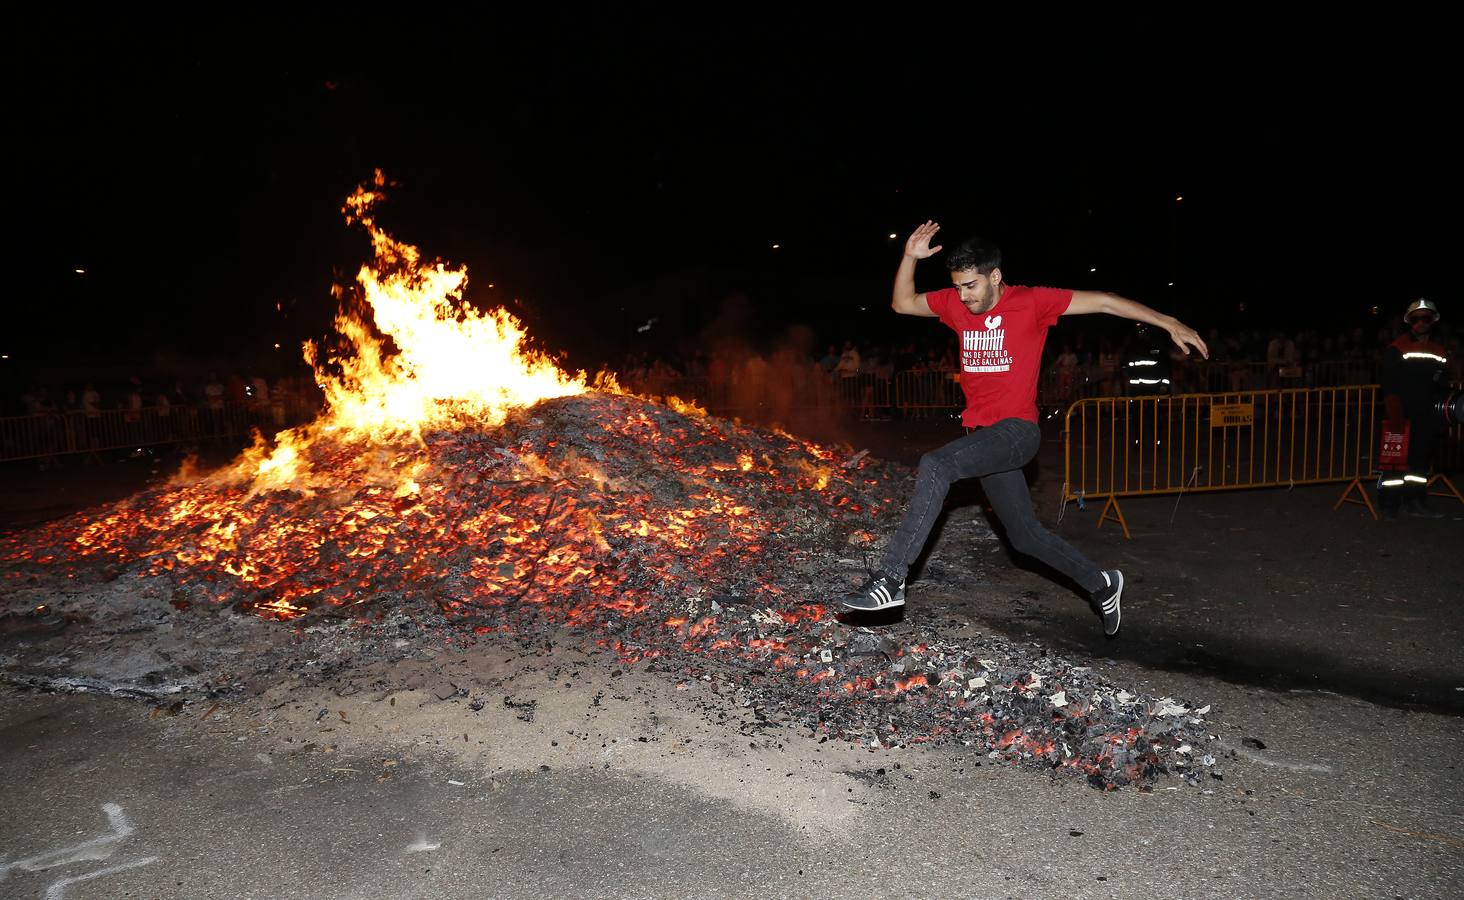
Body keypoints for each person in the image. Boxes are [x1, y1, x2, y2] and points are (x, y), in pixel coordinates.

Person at [838, 221, 1208, 636]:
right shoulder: (955, 304)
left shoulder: (1031, 301)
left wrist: (1168, 321)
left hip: (1016, 431)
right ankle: (1102, 583)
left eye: (972, 286)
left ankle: (890, 579)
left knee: (936, 465)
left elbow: (1104, 301)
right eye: (958, 287)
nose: (965, 296)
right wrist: (908, 256)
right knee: (1025, 537)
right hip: (981, 436)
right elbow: (903, 304)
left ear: (995, 276)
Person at [1378, 299, 1449, 518]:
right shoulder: (1397, 348)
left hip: (1426, 417)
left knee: (1419, 464)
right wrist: (1395, 417)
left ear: (1432, 321)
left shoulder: (1439, 351)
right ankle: (1390, 506)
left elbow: (1442, 385)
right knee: (1394, 464)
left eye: (1426, 318)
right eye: (1416, 318)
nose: (1421, 322)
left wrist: (1441, 413)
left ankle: (1415, 501)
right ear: (1409, 321)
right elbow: (1389, 386)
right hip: (1400, 415)